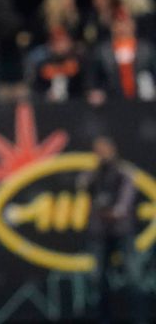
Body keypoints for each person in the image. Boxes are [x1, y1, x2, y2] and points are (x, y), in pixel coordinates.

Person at [76, 136, 146, 324]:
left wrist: (113, 211)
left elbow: (123, 205)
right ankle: (103, 317)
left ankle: (139, 317)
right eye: (98, 151)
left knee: (133, 277)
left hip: (122, 232)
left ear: (113, 150)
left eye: (105, 150)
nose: (102, 154)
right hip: (100, 233)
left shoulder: (124, 172)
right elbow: (81, 185)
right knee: (98, 278)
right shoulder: (93, 174)